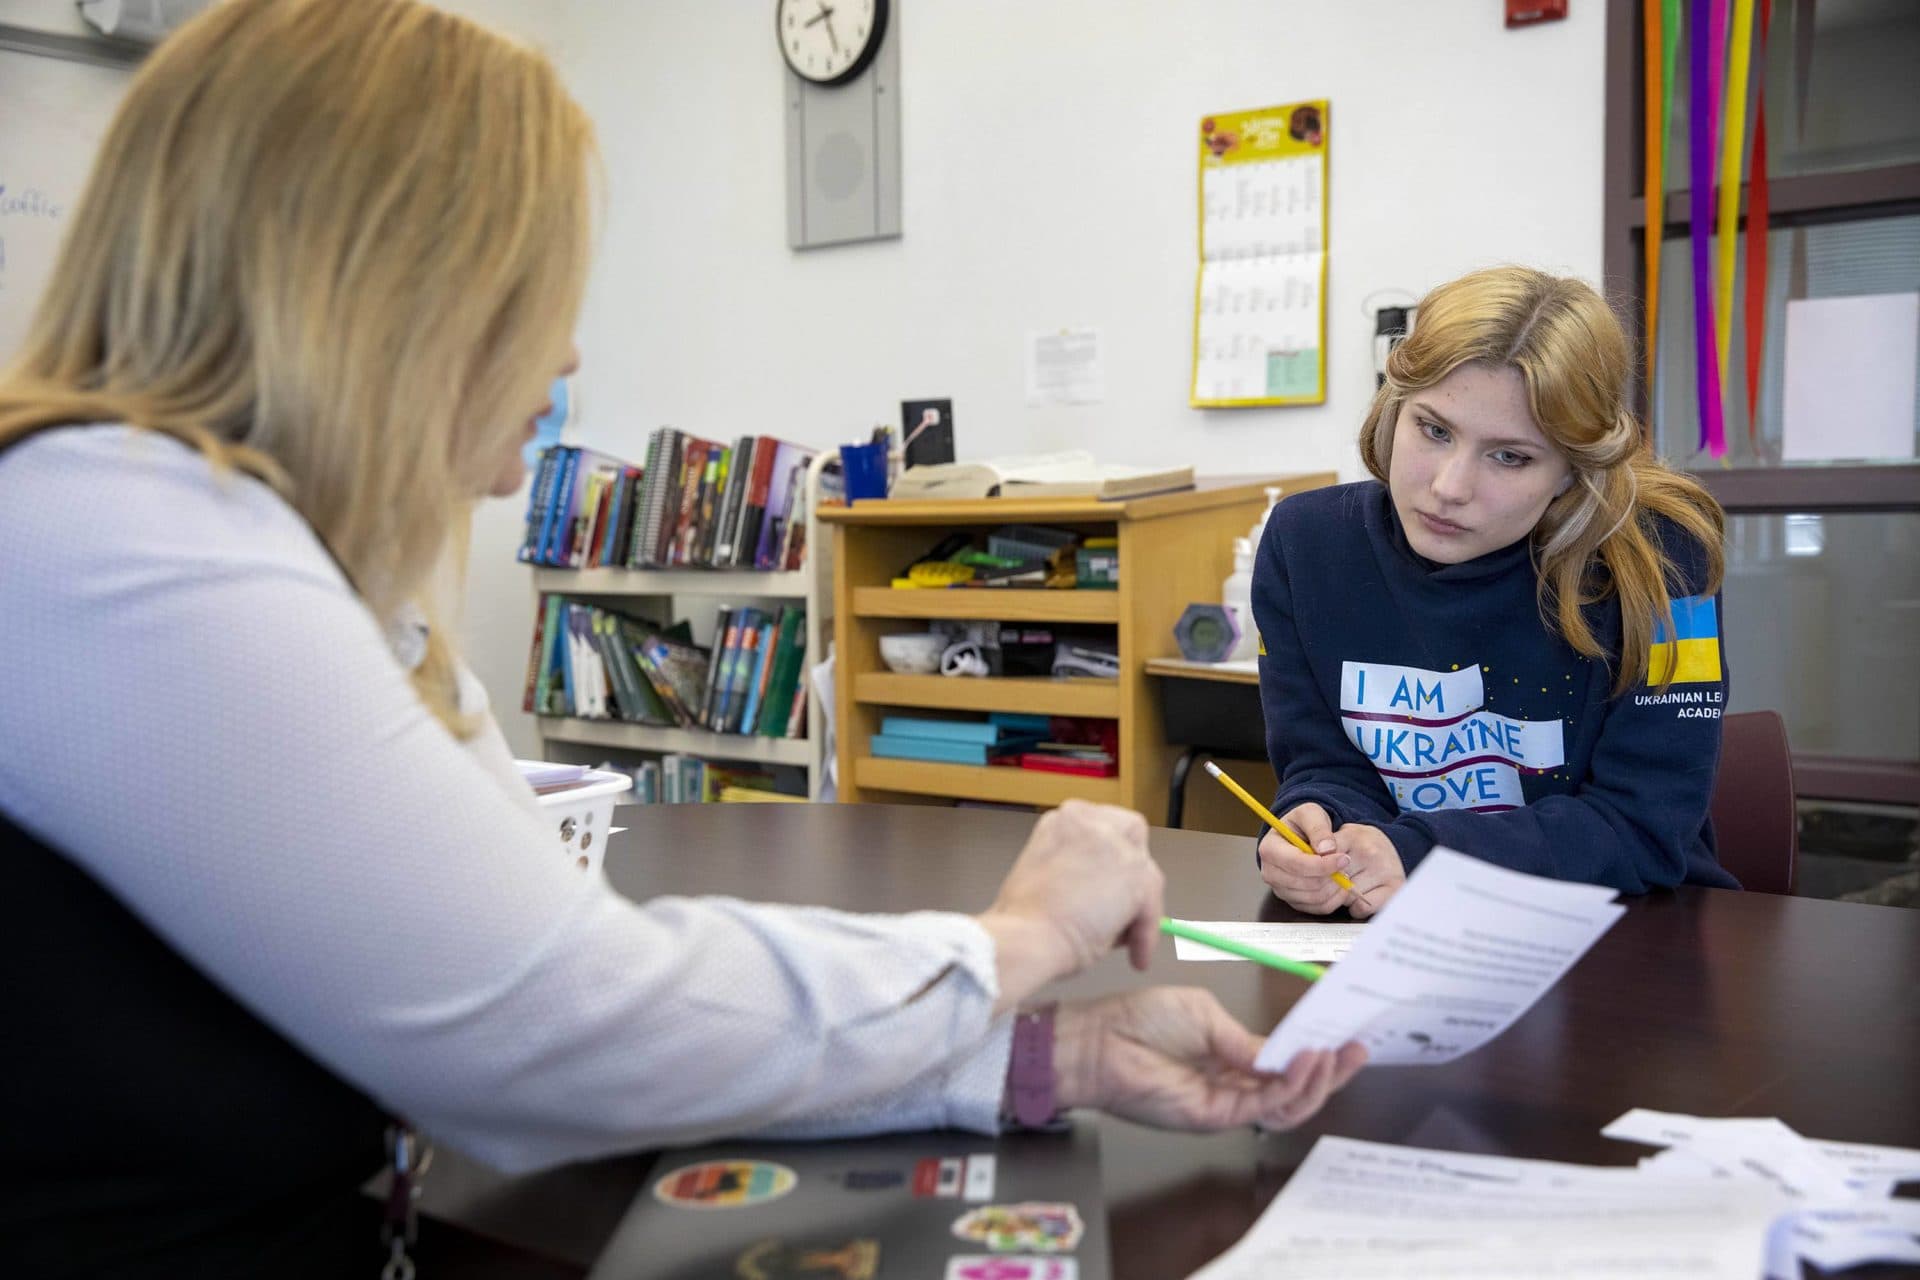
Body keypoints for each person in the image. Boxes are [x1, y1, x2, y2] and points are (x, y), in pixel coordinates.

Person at [0, 1, 1363, 1273]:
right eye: (537, 291)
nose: (570, 357)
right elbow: (563, 1021)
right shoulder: (109, 540)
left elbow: (583, 991)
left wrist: (1052, 1063)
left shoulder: (284, 562)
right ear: (385, 294)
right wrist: (1010, 945)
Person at [1253, 265, 1739, 919]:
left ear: (1573, 471)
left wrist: (1419, 854)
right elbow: (1325, 766)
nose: (1450, 487)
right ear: (1394, 407)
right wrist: (1317, 825)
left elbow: (1645, 831)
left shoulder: (1668, 565)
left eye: (1510, 457)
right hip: (1397, 930)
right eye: (1434, 430)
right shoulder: (1303, 544)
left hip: (1629, 935)